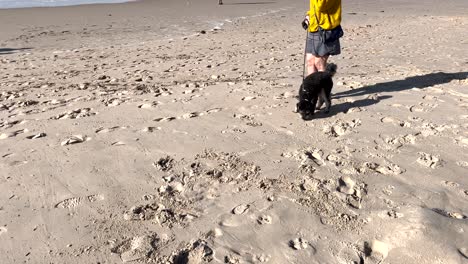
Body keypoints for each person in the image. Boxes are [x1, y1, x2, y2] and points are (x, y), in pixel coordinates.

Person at [302, 0, 342, 75]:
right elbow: (314, 7)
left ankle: (323, 85)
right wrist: (309, 15)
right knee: (310, 61)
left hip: (326, 29)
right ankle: (313, 86)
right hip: (314, 27)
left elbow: (320, 6)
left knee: (319, 63)